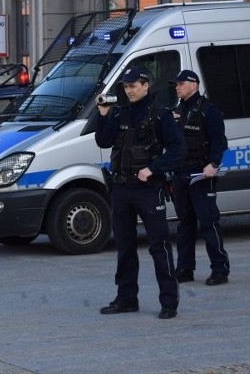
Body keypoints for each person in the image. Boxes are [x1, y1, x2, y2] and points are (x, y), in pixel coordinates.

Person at [94, 66, 185, 319]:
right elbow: (103, 141)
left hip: (148, 189)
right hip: (121, 188)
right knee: (124, 246)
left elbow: (178, 150)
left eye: (133, 85)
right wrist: (102, 114)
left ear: (146, 85)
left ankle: (169, 302)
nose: (129, 90)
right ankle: (126, 298)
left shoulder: (160, 115)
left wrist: (153, 169)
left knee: (159, 246)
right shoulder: (119, 113)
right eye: (126, 86)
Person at [168, 70, 230, 286]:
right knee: (184, 224)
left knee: (208, 222)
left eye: (181, 83)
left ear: (194, 84)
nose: (177, 87)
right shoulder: (177, 110)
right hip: (180, 174)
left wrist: (213, 164)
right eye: (176, 84)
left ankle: (220, 269)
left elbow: (218, 140)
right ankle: (185, 268)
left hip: (201, 174)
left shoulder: (208, 110)